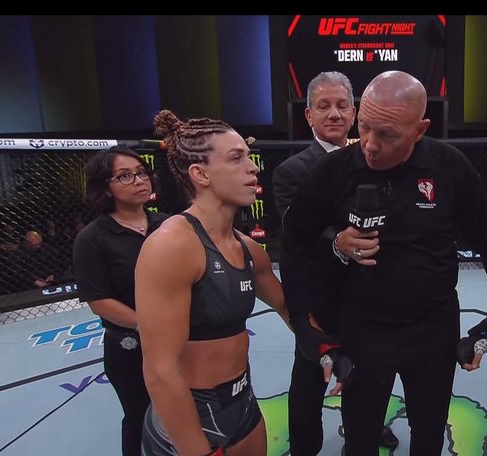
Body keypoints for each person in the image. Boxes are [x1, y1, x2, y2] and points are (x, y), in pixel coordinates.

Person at [279, 70, 487, 455]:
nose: (370, 145)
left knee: (428, 437)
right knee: (360, 440)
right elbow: (294, 245)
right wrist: (302, 324)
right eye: (365, 127)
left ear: (419, 130)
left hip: (434, 328)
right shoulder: (333, 170)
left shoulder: (448, 166)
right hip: (363, 328)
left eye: (387, 134)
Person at [135, 110, 289, 456]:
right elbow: (160, 370)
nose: (252, 168)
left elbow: (286, 307)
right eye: (236, 158)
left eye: (249, 157)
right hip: (191, 415)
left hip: (243, 402)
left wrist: (328, 349)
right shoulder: (172, 245)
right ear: (200, 174)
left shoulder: (248, 248)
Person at [272, 71, 398, 455]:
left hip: (369, 293)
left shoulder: (376, 162)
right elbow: (296, 238)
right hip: (319, 296)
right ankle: (304, 447)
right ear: (308, 115)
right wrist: (338, 242)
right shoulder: (292, 171)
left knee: (368, 373)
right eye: (323, 106)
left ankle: (365, 430)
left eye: (343, 105)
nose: (334, 114)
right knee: (310, 376)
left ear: (354, 112)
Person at [73, 146, 170, 456]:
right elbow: (99, 300)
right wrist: (150, 327)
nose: (139, 180)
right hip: (132, 346)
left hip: (184, 338)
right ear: (105, 187)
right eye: (125, 176)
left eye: (141, 172)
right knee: (141, 416)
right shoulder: (92, 238)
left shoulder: (170, 225)